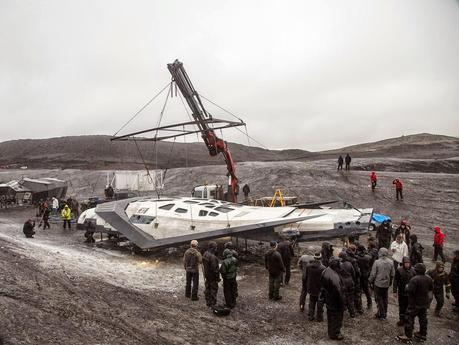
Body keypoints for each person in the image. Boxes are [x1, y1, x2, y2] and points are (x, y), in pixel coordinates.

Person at [398, 263, 433, 342]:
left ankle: (408, 335)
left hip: (414, 304)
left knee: (409, 318)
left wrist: (407, 286)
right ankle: (423, 334)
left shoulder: (414, 279)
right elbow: (430, 291)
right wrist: (429, 302)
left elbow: (410, 291)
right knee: (423, 319)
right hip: (424, 303)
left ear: (416, 270)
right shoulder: (429, 278)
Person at [320, 257, 345, 340]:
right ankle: (335, 334)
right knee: (337, 318)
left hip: (328, 299)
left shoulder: (325, 270)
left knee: (330, 317)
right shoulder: (334, 277)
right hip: (335, 302)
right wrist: (342, 304)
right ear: (336, 265)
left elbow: (322, 287)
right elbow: (339, 292)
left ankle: (331, 332)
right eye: (339, 263)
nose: (340, 264)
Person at [369, 248, 395, 320]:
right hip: (386, 284)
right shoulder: (391, 262)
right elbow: (393, 274)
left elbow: (373, 274)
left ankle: (382, 314)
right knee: (385, 299)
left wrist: (370, 281)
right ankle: (384, 313)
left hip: (378, 283)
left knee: (379, 299)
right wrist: (390, 282)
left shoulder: (377, 262)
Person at [393, 256, 416, 326]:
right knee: (402, 307)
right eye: (405, 263)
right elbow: (395, 281)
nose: (407, 264)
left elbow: (416, 281)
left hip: (410, 293)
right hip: (401, 292)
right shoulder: (399, 270)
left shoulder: (413, 270)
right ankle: (401, 320)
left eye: (408, 263)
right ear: (403, 263)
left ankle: (407, 320)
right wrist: (394, 291)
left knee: (409, 307)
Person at [304, 253, 325, 321]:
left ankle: (311, 316)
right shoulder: (323, 268)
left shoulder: (308, 266)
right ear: (320, 258)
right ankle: (319, 317)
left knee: (312, 301)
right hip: (319, 289)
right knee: (320, 303)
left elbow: (306, 277)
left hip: (311, 287)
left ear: (314, 258)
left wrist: (306, 285)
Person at [338, 251, 357, 318]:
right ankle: (352, 313)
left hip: (342, 283)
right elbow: (353, 273)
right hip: (350, 282)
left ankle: (342, 311)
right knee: (350, 299)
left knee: (342, 298)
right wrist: (353, 281)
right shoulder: (349, 264)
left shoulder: (338, 265)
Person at [202, 241, 220, 307]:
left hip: (207, 275)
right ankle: (213, 304)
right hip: (212, 277)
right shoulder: (213, 257)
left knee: (208, 289)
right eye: (215, 248)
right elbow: (215, 269)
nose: (216, 249)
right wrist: (217, 278)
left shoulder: (205, 254)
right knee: (213, 290)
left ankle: (208, 302)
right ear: (212, 248)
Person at [356, 244, 373, 309]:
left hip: (359, 276)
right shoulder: (368, 257)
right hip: (366, 276)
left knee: (359, 291)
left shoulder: (357, 258)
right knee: (367, 291)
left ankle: (359, 306)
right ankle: (369, 303)